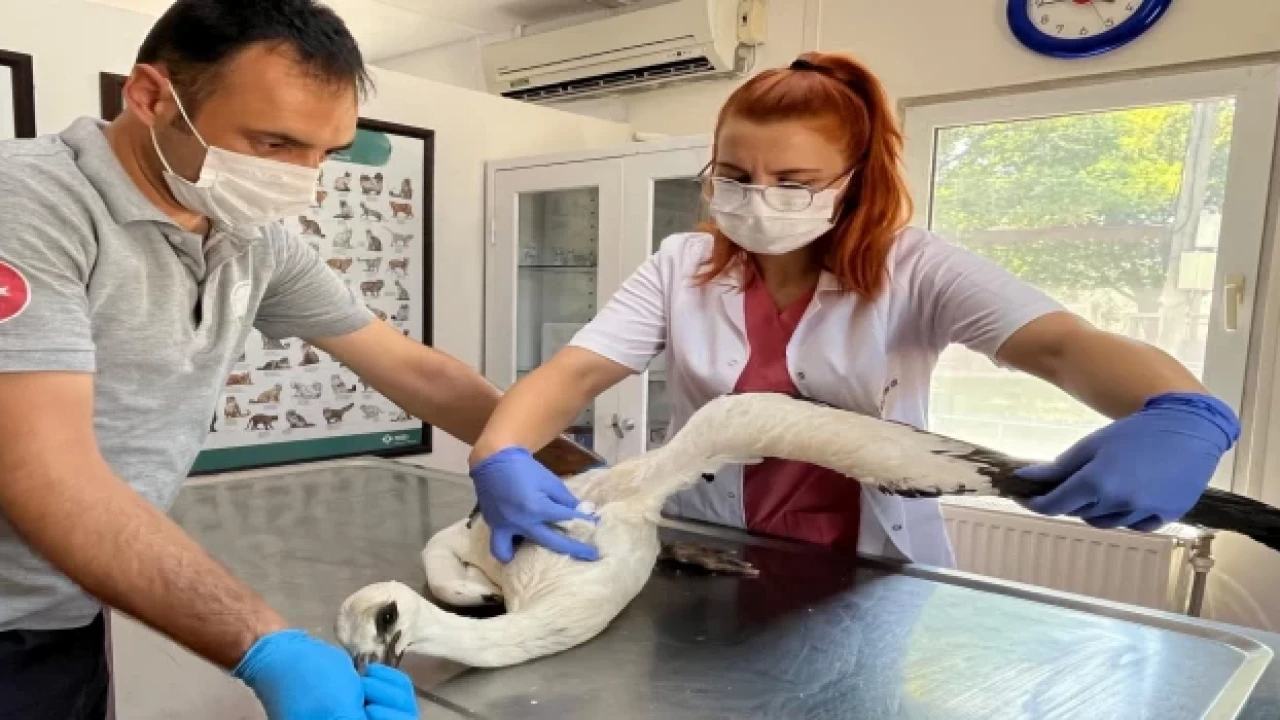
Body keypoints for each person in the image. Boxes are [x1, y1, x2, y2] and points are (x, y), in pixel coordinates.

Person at [0, 1, 590, 717]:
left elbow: (413, 370)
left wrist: (583, 478)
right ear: (152, 98)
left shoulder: (250, 238)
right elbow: (46, 476)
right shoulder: (27, 203)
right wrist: (269, 647)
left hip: (60, 612)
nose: (303, 181)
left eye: (326, 153)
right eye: (275, 143)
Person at [466, 52, 1241, 567]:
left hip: (871, 563)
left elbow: (1062, 345)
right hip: (709, 547)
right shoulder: (682, 265)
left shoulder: (915, 267)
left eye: (794, 182)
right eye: (734, 175)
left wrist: (1184, 413)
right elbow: (574, 374)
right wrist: (498, 454)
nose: (758, 198)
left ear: (854, 179)